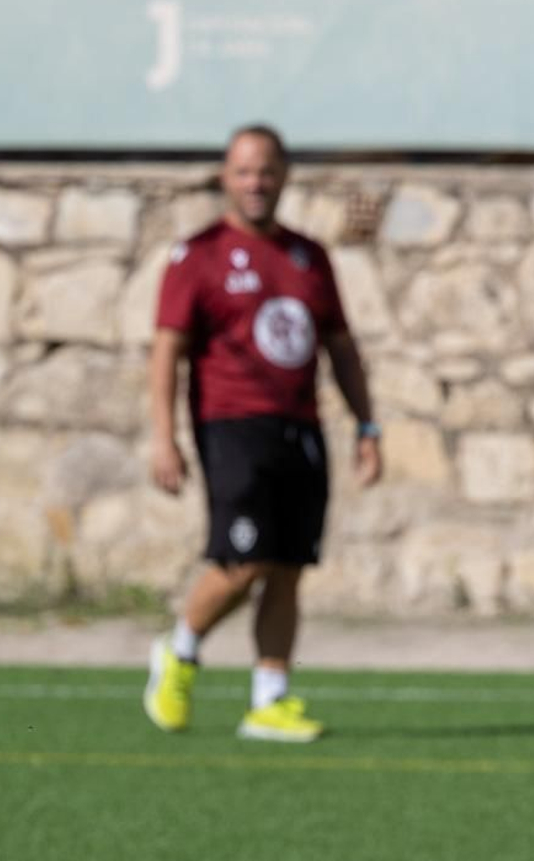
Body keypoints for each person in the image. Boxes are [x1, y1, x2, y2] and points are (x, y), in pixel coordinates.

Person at [144, 124, 382, 743]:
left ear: (284, 177)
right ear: (226, 177)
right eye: (245, 171)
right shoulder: (197, 256)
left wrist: (367, 424)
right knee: (244, 558)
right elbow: (167, 351)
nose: (256, 183)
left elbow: (341, 347)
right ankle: (179, 649)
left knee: (287, 566)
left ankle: (269, 699)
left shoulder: (309, 257)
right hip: (231, 424)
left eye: (267, 171)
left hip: (300, 427)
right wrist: (164, 437)